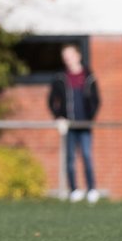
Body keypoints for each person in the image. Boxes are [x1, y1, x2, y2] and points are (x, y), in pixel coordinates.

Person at [48, 42, 101, 203]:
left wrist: (90, 118)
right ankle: (74, 190)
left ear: (78, 56)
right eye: (65, 57)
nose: (68, 59)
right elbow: (51, 101)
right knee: (70, 159)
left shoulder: (88, 76)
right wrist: (59, 117)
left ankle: (92, 189)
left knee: (86, 156)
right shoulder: (60, 78)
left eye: (70, 55)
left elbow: (96, 100)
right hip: (69, 125)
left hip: (84, 125)